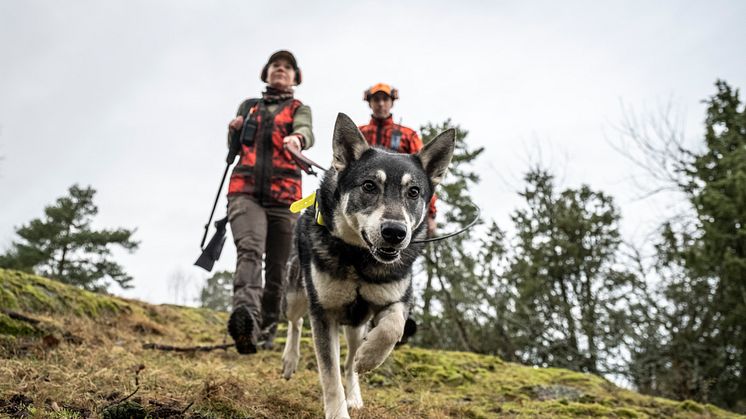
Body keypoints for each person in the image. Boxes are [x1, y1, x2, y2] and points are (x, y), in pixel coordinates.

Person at [225, 50, 313, 354]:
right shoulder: (249, 107)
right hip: (245, 191)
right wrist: (232, 131)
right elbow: (234, 149)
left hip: (285, 198)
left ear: (295, 77)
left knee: (279, 268)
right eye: (276, 65)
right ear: (267, 72)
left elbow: (306, 131)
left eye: (287, 67)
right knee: (249, 250)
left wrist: (297, 139)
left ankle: (266, 331)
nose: (281, 69)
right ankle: (246, 317)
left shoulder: (299, 109)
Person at [359, 83, 437, 236]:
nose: (381, 104)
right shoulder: (359, 134)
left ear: (392, 102)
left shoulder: (407, 135)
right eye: (376, 99)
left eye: (385, 99)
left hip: (402, 207)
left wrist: (431, 214)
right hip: (366, 205)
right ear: (369, 102)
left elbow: (424, 177)